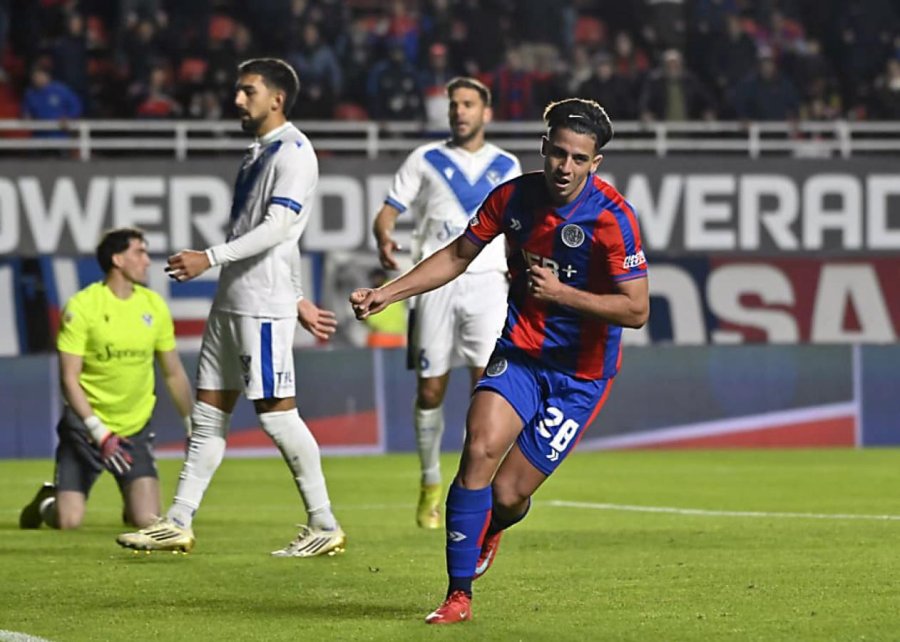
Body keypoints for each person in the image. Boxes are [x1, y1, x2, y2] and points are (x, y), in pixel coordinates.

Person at [351, 98, 649, 624]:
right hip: (520, 352)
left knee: (508, 495)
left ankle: (493, 527)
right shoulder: (512, 197)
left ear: (595, 162)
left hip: (580, 376)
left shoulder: (613, 219)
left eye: (579, 159)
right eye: (558, 153)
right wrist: (388, 293)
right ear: (543, 147)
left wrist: (562, 294)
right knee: (479, 448)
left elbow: (636, 310)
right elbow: (457, 255)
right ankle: (457, 595)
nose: (565, 167)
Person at [116, 58, 344, 557]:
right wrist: (299, 295)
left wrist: (210, 257)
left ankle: (324, 522)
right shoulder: (258, 151)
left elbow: (279, 228)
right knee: (208, 414)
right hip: (234, 299)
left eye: (248, 91)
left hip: (260, 303)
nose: (237, 99)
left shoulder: (295, 152)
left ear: (277, 99)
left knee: (277, 415)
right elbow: (286, 241)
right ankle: (178, 521)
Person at [371, 76, 521, 529]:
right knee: (430, 390)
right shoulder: (425, 158)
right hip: (435, 284)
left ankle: (474, 485)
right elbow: (388, 211)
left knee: (487, 390)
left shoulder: (507, 164)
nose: (459, 111)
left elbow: (518, 226)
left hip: (488, 284)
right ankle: (430, 481)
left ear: (486, 112)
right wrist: (384, 234)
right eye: (454, 104)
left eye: (468, 104)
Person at [19, 227, 193, 530]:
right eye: (139, 252)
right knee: (68, 520)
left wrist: (192, 425)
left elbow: (173, 372)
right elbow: (69, 379)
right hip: (86, 429)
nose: (147, 260)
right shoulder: (82, 307)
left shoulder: (154, 306)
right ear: (117, 259)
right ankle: (48, 502)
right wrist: (99, 432)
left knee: (147, 521)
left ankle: (133, 503)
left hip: (134, 429)